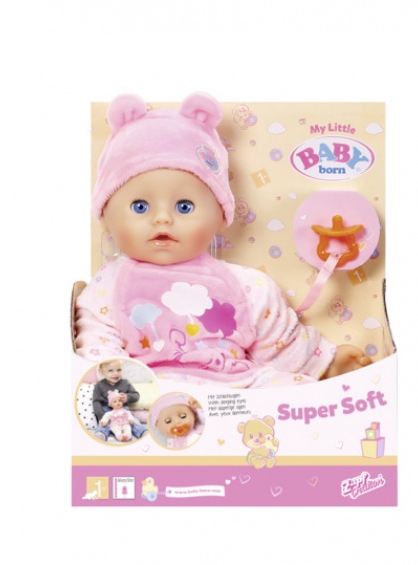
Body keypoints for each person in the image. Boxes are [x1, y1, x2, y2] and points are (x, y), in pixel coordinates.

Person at [75, 92, 371, 388]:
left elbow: (278, 343)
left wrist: (322, 365)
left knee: (292, 388)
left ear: (220, 216)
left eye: (184, 207)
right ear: (106, 217)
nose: (162, 218)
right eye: (140, 207)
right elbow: (96, 343)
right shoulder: (108, 285)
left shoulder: (249, 286)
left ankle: (324, 381)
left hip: (236, 388)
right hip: (153, 391)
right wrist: (126, 389)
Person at [92, 358, 148, 440]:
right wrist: (101, 415)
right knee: (104, 424)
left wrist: (128, 397)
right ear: (101, 372)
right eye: (110, 370)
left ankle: (142, 432)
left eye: (119, 370)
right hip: (107, 412)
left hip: (123, 411)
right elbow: (96, 401)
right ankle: (101, 434)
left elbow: (136, 395)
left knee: (134, 421)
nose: (115, 373)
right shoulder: (99, 385)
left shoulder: (125, 383)